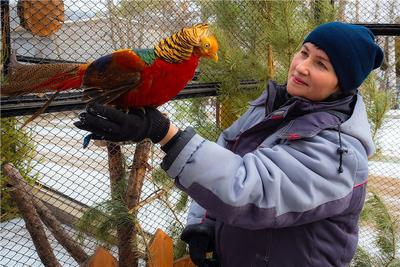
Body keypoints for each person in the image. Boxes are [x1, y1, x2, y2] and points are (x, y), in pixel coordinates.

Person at [74, 21, 384, 266]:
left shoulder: (339, 153)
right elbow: (225, 155)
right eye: (304, 53)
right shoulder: (270, 108)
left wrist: (166, 134)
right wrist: (203, 226)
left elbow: (250, 190)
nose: (302, 66)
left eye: (321, 64)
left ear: (341, 85)